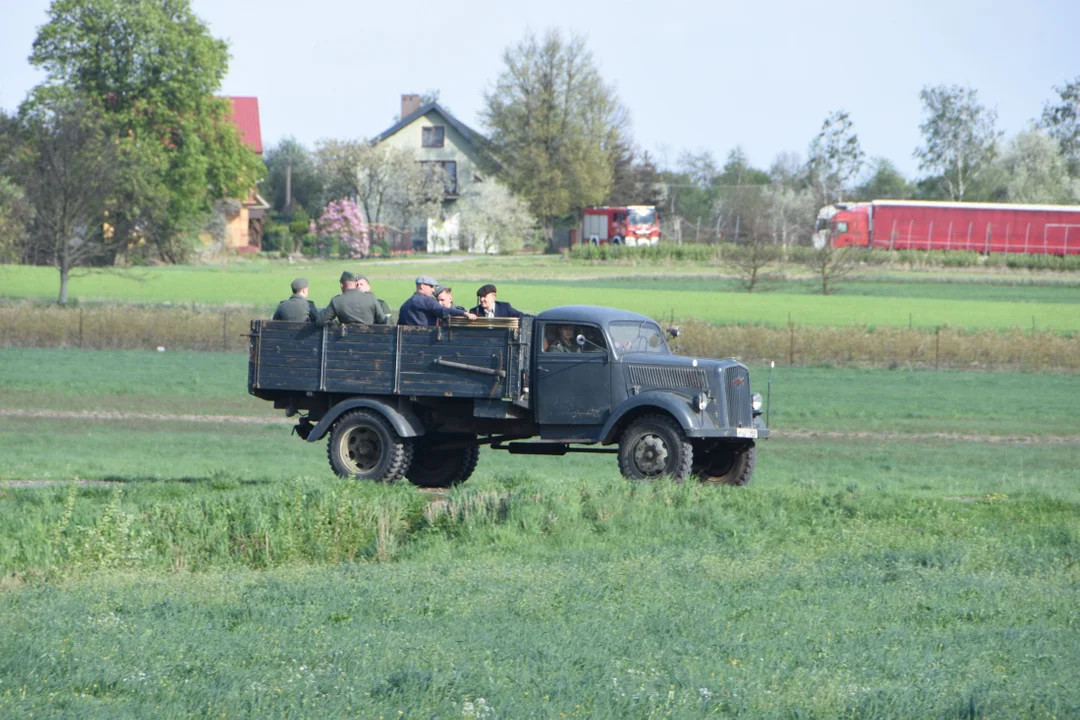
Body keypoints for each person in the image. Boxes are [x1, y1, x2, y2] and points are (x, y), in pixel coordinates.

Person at [398, 275, 477, 326]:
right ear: (422, 286)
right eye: (431, 286)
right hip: (427, 343)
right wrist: (464, 313)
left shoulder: (405, 305)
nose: (433, 290)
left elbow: (399, 325)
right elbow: (443, 311)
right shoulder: (428, 301)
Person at [317, 271, 389, 326]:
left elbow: (320, 321)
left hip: (345, 342)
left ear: (341, 285)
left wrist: (336, 324)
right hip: (369, 341)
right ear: (355, 283)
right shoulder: (371, 298)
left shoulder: (337, 301)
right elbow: (382, 321)